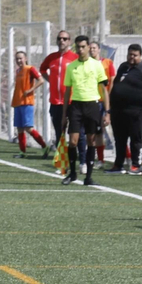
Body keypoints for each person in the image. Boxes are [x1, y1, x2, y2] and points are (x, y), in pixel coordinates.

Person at [61, 35, 110, 186]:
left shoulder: (97, 65)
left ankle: (88, 177)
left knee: (91, 140)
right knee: (73, 141)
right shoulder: (71, 66)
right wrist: (64, 114)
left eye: (83, 47)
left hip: (92, 106)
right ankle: (73, 174)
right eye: (78, 47)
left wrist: (107, 112)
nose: (80, 50)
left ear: (89, 47)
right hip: (76, 106)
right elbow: (67, 91)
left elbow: (104, 90)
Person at [107, 43, 142, 173]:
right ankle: (118, 164)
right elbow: (117, 83)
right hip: (118, 110)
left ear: (140, 56)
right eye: (130, 54)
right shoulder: (123, 67)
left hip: (137, 111)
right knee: (119, 138)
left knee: (135, 137)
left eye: (135, 55)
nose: (132, 57)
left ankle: (135, 165)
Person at [38, 30, 78, 149]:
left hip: (72, 101)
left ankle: (76, 156)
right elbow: (43, 69)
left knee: (74, 132)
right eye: (59, 38)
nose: (62, 41)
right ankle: (61, 156)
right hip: (56, 101)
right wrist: (51, 80)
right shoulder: (51, 57)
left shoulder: (75, 58)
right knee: (59, 131)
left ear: (69, 41)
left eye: (65, 39)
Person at [10, 51, 47, 157]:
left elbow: (41, 80)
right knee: (20, 128)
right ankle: (22, 152)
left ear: (25, 58)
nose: (19, 61)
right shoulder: (18, 71)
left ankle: (44, 146)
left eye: (20, 58)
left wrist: (30, 90)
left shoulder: (30, 69)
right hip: (18, 102)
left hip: (27, 102)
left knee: (29, 128)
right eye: (17, 59)